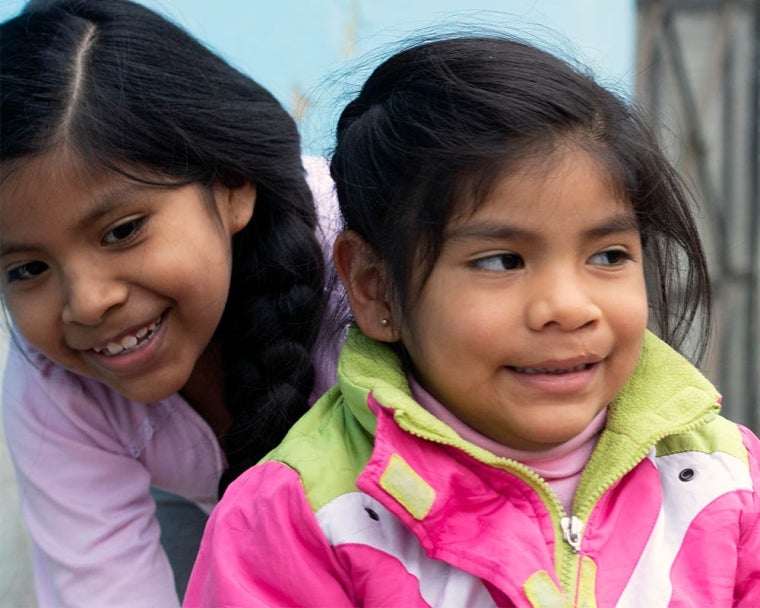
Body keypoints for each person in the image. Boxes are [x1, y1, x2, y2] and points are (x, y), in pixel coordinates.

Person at [185, 34, 760, 607]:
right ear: (374, 285)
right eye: (501, 261)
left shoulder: (726, 479)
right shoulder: (302, 521)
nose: (568, 307)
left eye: (608, 256)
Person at [0, 0, 344, 606]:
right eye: (27, 268)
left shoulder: (359, 265)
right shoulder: (52, 382)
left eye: (122, 230)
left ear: (232, 183)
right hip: (195, 501)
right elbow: (105, 588)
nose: (87, 303)